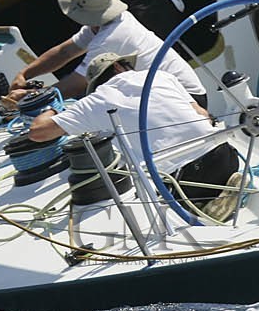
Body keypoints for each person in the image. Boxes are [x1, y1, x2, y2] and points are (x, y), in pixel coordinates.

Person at [28, 52, 238, 209]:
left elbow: (38, 132)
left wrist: (55, 107)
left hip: (187, 179)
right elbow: (203, 114)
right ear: (120, 66)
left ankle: (207, 203)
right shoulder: (161, 76)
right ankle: (225, 189)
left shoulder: (96, 100)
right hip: (225, 155)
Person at [11, 0, 206, 106]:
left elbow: (76, 85)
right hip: (175, 96)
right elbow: (65, 52)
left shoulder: (109, 38)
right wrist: (25, 73)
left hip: (187, 100)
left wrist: (30, 98)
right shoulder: (111, 21)